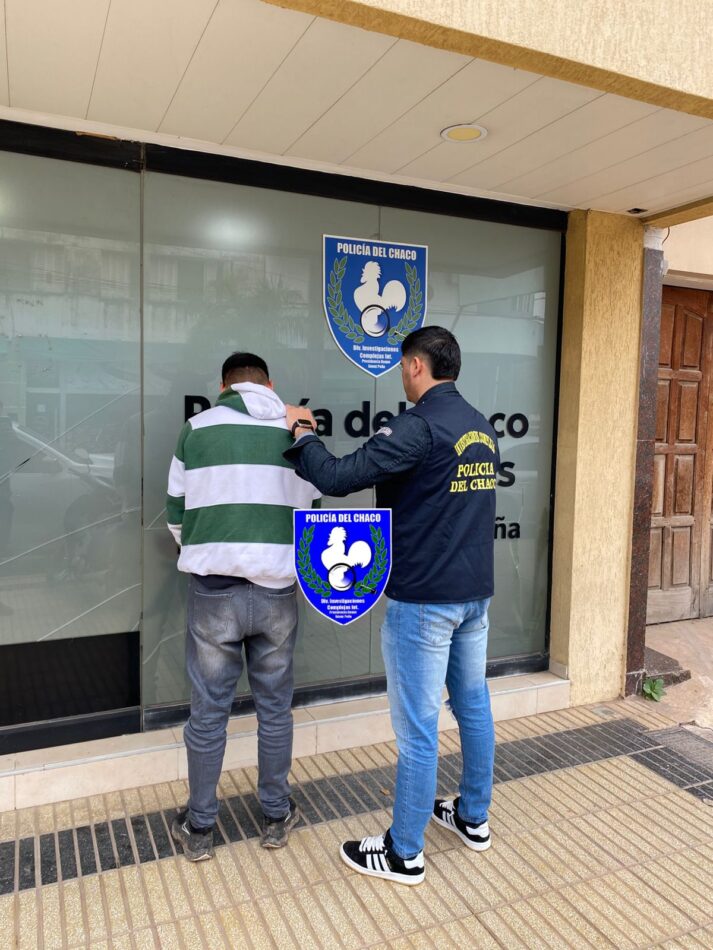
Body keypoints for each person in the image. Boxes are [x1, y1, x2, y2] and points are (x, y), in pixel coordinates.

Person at [284, 326, 498, 886]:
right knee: (473, 706)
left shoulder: (418, 427)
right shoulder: (479, 425)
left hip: (424, 601)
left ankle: (404, 851)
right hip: (473, 595)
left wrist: (303, 433)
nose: (402, 376)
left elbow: (336, 477)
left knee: (419, 729)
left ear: (415, 366)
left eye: (403, 367)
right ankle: (473, 817)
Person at [166, 352, 320, 861]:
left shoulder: (197, 428)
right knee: (274, 708)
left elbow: (175, 513)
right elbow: (310, 507)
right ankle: (275, 816)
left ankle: (199, 828)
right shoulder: (296, 430)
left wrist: (210, 552)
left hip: (215, 591)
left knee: (208, 712)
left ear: (224, 386)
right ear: (269, 385)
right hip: (277, 589)